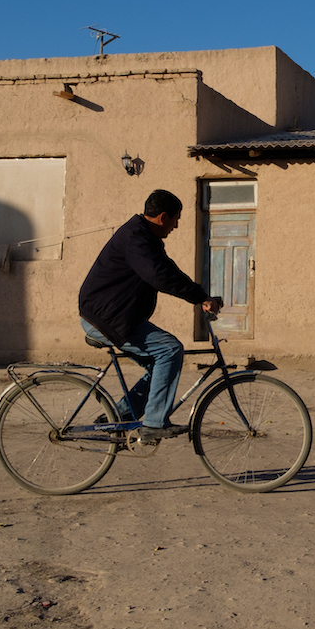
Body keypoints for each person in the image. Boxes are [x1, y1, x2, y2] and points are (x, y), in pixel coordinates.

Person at [79, 189, 222, 441]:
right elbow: (160, 276)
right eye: (176, 219)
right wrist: (200, 298)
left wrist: (200, 295)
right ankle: (154, 423)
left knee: (161, 365)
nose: (177, 226)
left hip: (115, 315)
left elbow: (169, 271)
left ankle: (119, 418)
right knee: (170, 350)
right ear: (163, 217)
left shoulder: (144, 237)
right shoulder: (136, 239)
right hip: (106, 318)